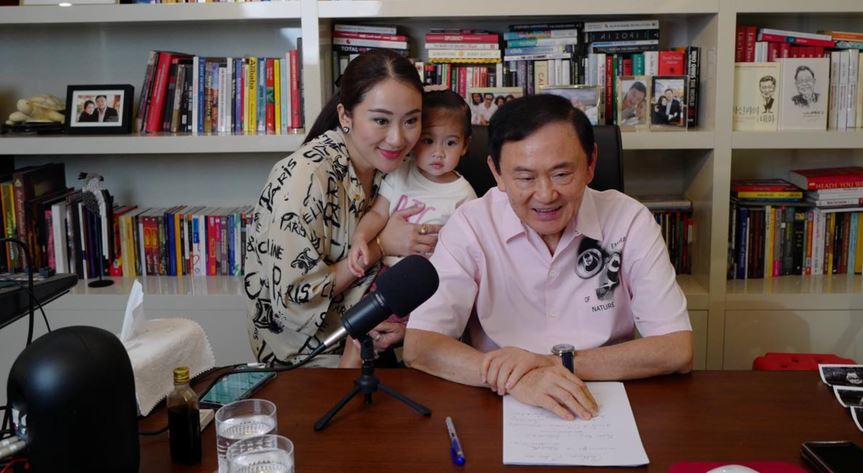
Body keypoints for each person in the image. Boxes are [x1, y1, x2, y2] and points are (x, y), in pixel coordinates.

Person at [403, 94, 693, 420]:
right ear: (497, 173)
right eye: (525, 178)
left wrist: (552, 364)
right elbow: (421, 345)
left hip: (604, 399)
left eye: (561, 174)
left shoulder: (628, 219)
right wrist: (519, 379)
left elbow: (676, 348)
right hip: (499, 400)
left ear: (591, 164)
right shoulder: (471, 224)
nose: (545, 195)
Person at [244, 49, 438, 367]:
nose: (398, 138)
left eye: (411, 121)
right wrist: (380, 246)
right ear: (345, 116)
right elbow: (294, 302)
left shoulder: (400, 167)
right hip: (312, 360)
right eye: (381, 120)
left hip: (385, 340)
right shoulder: (305, 178)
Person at [342, 89, 478, 367]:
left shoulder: (463, 194)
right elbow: (378, 213)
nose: (438, 153)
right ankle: (344, 382)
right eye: (428, 141)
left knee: (422, 346)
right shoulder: (400, 174)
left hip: (431, 285)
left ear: (465, 145)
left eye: (450, 143)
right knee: (358, 334)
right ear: (414, 140)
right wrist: (360, 237)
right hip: (389, 278)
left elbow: (469, 250)